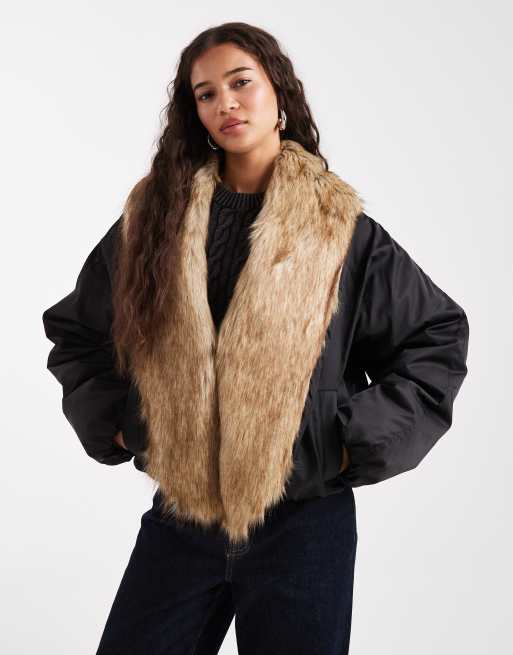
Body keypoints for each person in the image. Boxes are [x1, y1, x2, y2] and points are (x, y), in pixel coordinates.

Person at [41, 21, 469, 655]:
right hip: (181, 521)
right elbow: (78, 331)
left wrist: (346, 443)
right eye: (206, 94)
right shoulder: (155, 219)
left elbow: (437, 336)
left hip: (304, 524)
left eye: (241, 83)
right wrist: (124, 424)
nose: (226, 104)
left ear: (279, 93)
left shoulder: (338, 229)